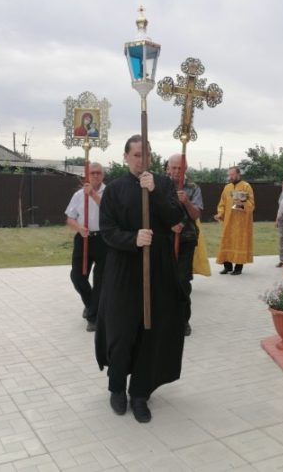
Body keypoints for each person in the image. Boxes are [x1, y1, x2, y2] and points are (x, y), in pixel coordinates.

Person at [95, 135, 186, 423]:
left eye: (146, 154)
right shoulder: (114, 190)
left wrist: (155, 192)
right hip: (123, 269)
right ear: (125, 157)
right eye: (136, 155)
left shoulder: (164, 184)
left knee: (150, 332)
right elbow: (107, 230)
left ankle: (139, 393)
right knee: (121, 331)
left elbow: (176, 218)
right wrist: (133, 239)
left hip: (156, 268)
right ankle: (117, 387)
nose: (141, 160)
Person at [64, 162, 107, 331]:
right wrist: (79, 228)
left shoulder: (109, 192)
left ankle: (93, 317)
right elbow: (70, 218)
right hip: (83, 238)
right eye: (92, 172)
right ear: (87, 175)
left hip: (103, 240)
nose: (95, 175)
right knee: (77, 276)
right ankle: (91, 305)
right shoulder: (78, 195)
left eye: (98, 173)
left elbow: (110, 211)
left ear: (103, 175)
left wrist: (93, 195)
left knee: (100, 280)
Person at [167, 154, 203, 337]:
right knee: (164, 281)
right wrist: (170, 224)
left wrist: (186, 201)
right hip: (165, 240)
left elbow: (196, 214)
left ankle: (183, 321)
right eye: (173, 168)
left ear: (185, 169)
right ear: (168, 168)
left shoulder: (193, 188)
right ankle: (165, 319)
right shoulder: (160, 185)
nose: (176, 172)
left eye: (179, 168)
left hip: (186, 240)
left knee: (182, 281)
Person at [214, 166, 254, 275]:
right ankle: (227, 267)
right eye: (229, 174)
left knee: (239, 243)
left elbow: (251, 205)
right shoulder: (227, 187)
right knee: (227, 242)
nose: (230, 177)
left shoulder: (246, 186)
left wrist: (242, 202)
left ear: (238, 174)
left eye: (232, 174)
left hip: (241, 222)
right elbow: (222, 203)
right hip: (228, 221)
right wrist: (220, 213)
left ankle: (238, 268)